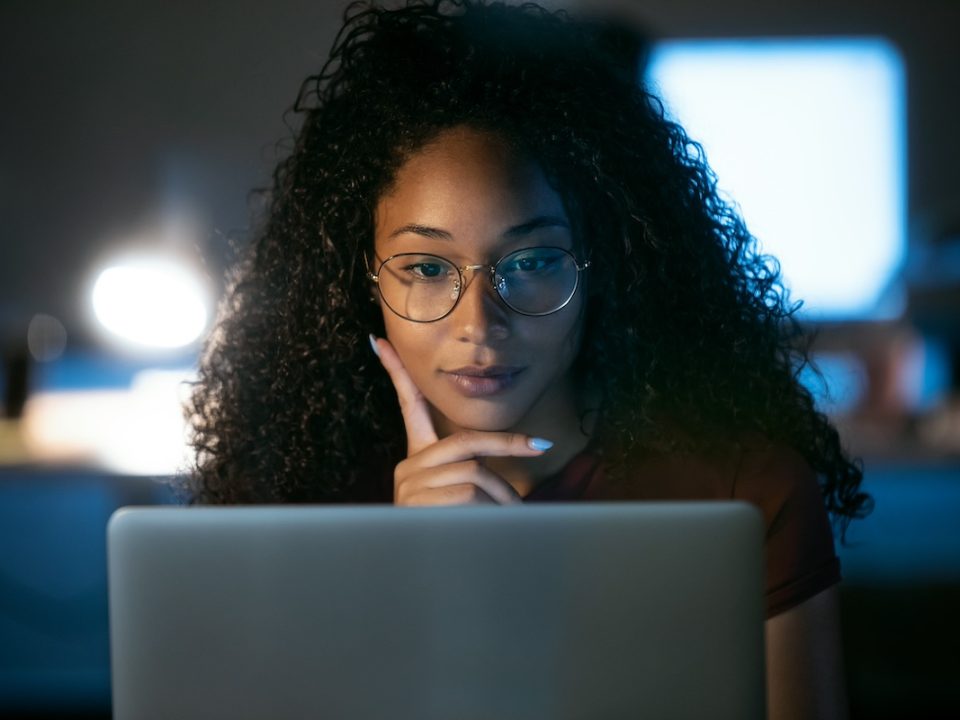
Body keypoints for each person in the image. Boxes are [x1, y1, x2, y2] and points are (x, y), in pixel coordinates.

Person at [185, 1, 871, 717]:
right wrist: (401, 581)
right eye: (425, 268)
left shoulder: (743, 491)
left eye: (533, 261)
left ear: (605, 263)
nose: (480, 324)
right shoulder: (296, 505)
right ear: (360, 281)